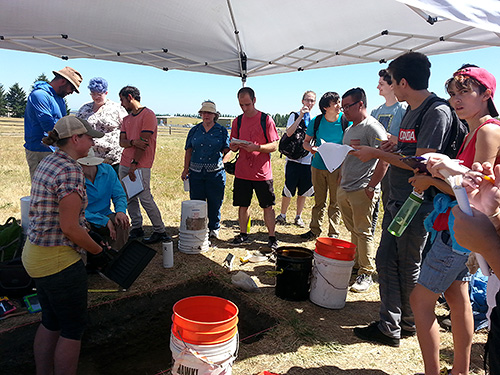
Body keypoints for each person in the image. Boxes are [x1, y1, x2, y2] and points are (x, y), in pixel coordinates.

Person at [351, 52, 454, 347]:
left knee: (406, 263)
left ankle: (405, 323)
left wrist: (376, 153)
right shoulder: (411, 110)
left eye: (393, 81)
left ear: (404, 82)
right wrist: (395, 144)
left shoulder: (436, 112)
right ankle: (393, 322)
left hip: (416, 204)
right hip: (398, 199)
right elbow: (412, 150)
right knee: (387, 260)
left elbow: (422, 163)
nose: (391, 87)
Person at [409, 66, 500, 375]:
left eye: (464, 92)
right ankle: (459, 370)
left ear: (487, 94)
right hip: (458, 228)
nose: (456, 100)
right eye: (452, 93)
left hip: (462, 231)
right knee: (457, 295)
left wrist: (434, 180)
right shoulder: (473, 130)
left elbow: (475, 193)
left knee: (420, 301)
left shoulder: (488, 131)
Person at [21, 116, 106, 375]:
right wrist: (98, 251)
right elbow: (69, 228)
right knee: (72, 329)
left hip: (36, 255)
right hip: (58, 260)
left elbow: (64, 218)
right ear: (76, 139)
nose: (93, 141)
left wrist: (91, 234)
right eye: (89, 137)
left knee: (51, 321)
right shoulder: (70, 169)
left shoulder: (50, 161)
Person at [338, 88, 388, 292]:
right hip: (346, 187)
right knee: (353, 230)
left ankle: (366, 272)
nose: (344, 111)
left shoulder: (373, 128)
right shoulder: (350, 129)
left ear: (360, 104)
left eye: (347, 107)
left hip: (363, 189)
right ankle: (356, 265)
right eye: (342, 107)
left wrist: (372, 185)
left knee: (364, 231)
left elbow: (385, 159)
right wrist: (341, 179)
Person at [229, 87, 280, 251]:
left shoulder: (266, 119)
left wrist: (257, 147)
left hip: (262, 173)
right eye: (241, 105)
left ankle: (272, 237)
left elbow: (274, 146)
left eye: (247, 104)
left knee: (268, 206)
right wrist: (234, 145)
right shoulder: (237, 121)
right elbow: (233, 146)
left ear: (254, 100)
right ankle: (243, 234)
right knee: (242, 205)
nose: (244, 108)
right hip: (242, 171)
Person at [118, 86, 169, 244]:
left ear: (130, 97)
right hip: (125, 163)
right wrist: (133, 142)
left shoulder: (148, 115)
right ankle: (137, 226)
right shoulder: (126, 119)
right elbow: (122, 142)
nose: (121, 104)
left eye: (122, 100)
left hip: (141, 164)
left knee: (145, 198)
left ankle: (160, 230)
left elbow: (144, 143)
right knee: (128, 197)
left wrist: (134, 164)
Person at [300, 92, 346, 240]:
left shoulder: (346, 121)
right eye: (336, 103)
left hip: (338, 168)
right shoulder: (317, 121)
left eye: (339, 102)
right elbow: (305, 143)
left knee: (335, 203)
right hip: (318, 166)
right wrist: (312, 149)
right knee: (319, 201)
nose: (340, 105)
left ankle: (333, 234)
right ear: (326, 107)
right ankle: (314, 231)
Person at [181, 101, 230, 239]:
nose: (206, 115)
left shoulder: (221, 131)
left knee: (215, 202)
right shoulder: (194, 130)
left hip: (215, 174)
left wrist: (224, 161)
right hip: (195, 173)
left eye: (209, 113)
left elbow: (228, 151)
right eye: (204, 113)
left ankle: (214, 228)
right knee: (196, 202)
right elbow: (188, 151)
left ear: (215, 115)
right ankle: (199, 228)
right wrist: (185, 169)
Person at [24, 67, 82, 179]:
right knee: (42, 188)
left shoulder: (59, 99)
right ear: (63, 81)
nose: (71, 92)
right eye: (72, 88)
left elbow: (62, 122)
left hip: (57, 148)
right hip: (40, 150)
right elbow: (47, 124)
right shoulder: (40, 95)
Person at [370, 69, 408, 231]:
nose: (378, 87)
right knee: (372, 201)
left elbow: (407, 140)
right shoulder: (375, 111)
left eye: (381, 84)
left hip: (394, 166)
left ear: (392, 86)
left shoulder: (404, 109)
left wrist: (386, 136)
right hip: (374, 164)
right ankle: (370, 234)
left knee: (389, 203)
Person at [275, 91, 316, 228]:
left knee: (304, 190)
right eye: (307, 100)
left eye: (312, 101)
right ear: (302, 101)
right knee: (288, 188)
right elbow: (289, 132)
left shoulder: (315, 119)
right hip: (293, 159)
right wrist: (300, 117)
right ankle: (283, 215)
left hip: (307, 159)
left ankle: (298, 216)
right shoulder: (294, 115)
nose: (309, 103)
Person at [78, 148, 130, 250]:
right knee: (82, 226)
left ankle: (115, 255)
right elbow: (76, 211)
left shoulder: (108, 170)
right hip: (85, 217)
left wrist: (120, 211)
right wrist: (103, 220)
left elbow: (119, 195)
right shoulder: (74, 177)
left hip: (105, 213)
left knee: (122, 222)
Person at [76, 77, 128, 173]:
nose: (95, 97)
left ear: (106, 93)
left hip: (113, 159)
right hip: (89, 158)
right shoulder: (84, 109)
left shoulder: (117, 108)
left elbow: (127, 129)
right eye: (93, 94)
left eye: (99, 94)